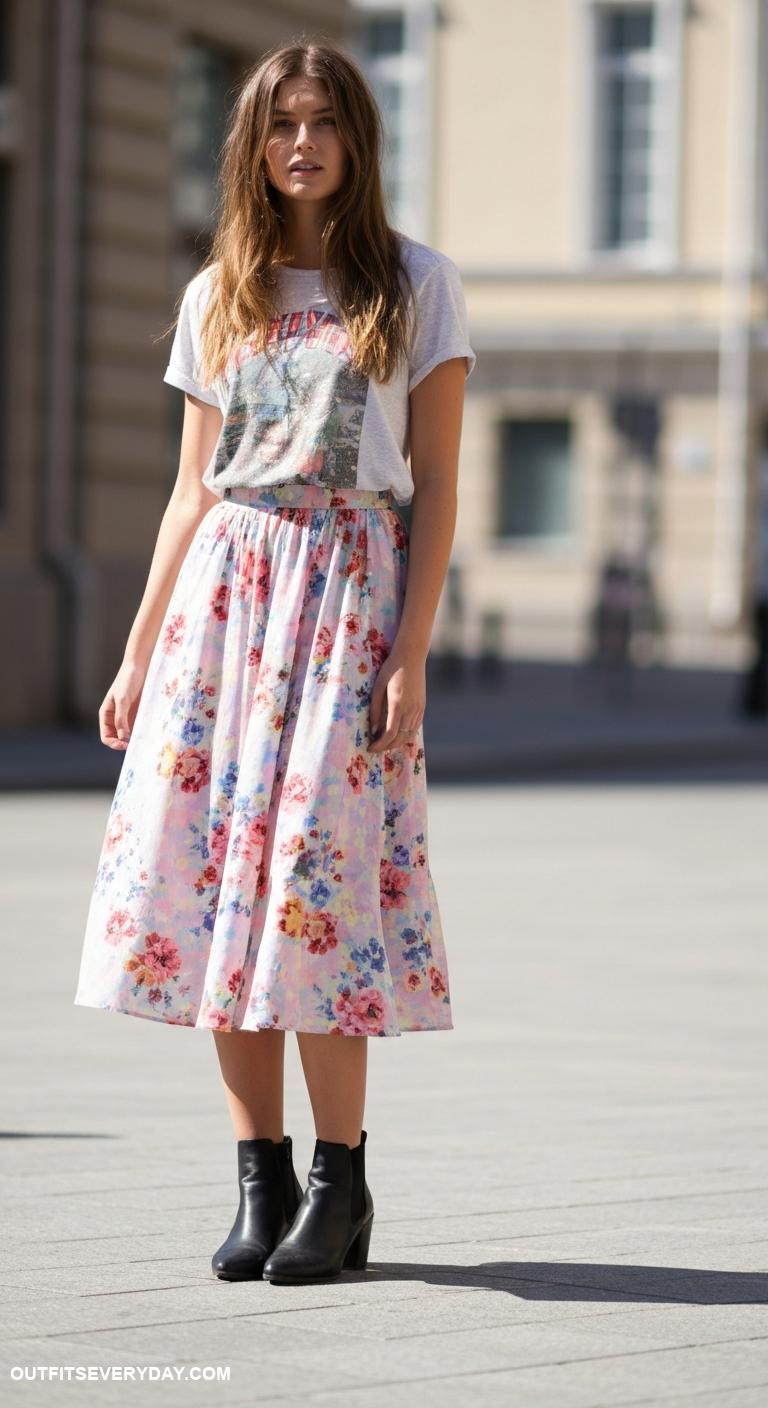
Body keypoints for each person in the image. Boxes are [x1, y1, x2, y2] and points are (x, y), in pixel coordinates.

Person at [73, 37, 475, 1286]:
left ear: (358, 140)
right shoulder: (218, 294)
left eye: (324, 123)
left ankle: (340, 1185)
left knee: (314, 895)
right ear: (251, 144)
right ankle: (261, 1178)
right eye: (279, 125)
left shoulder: (417, 283)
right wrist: (139, 656)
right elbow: (189, 495)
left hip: (348, 600)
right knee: (214, 894)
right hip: (224, 616)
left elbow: (442, 485)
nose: (301, 144)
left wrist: (411, 657)